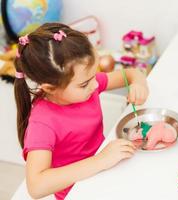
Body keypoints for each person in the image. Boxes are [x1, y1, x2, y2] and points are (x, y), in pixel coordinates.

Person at [14, 23, 149, 200]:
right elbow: (36, 187)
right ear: (51, 88)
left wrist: (138, 84)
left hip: (108, 170)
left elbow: (131, 73)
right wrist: (100, 160)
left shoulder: (86, 85)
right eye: (85, 84)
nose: (95, 85)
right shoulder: (43, 123)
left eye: (94, 76)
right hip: (79, 190)